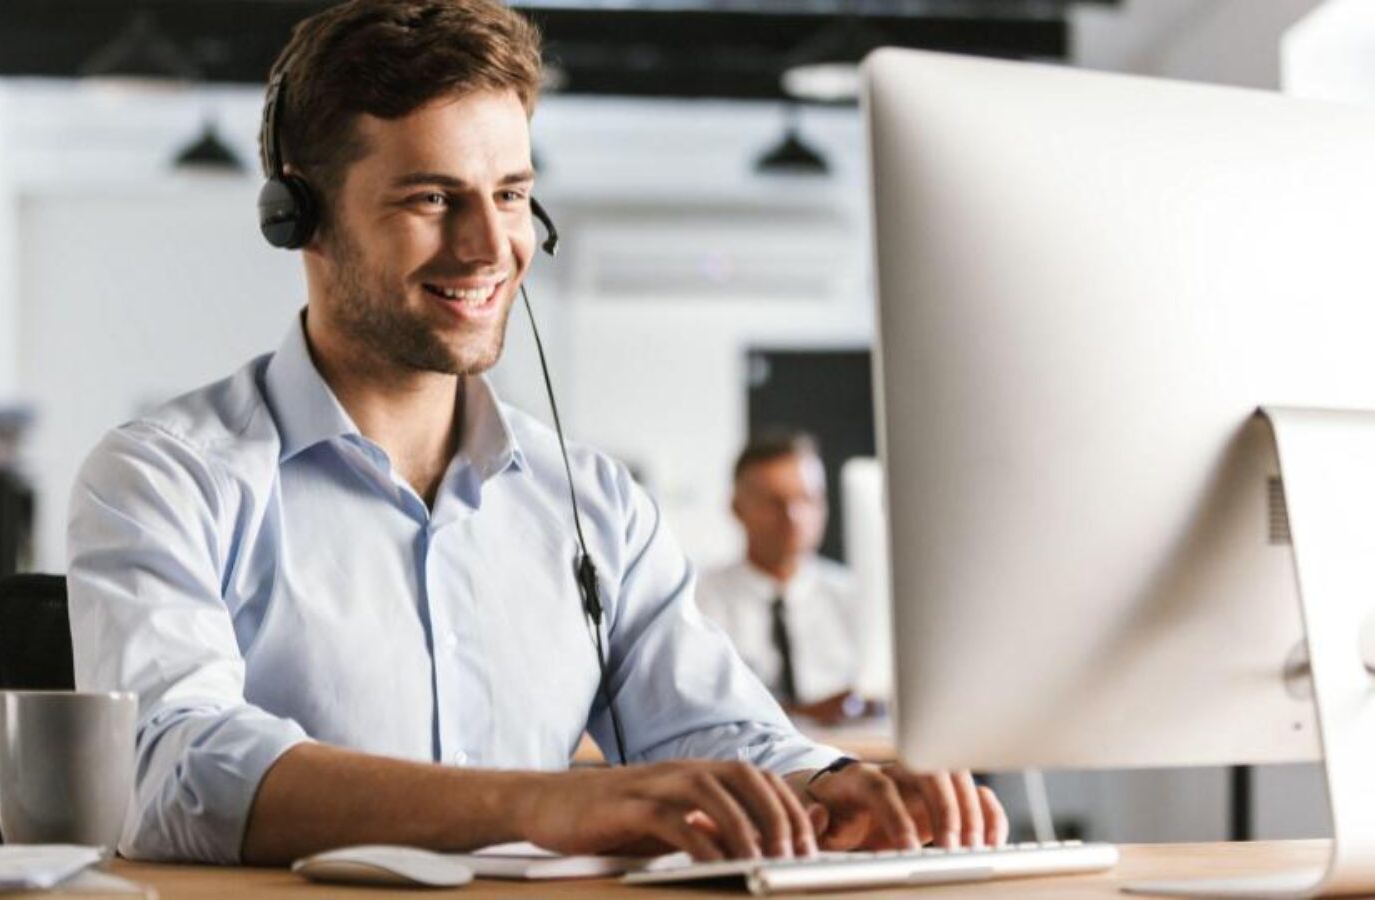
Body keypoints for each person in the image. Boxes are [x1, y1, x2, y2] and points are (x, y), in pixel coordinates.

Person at [66, 0, 1005, 867]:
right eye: (432, 199)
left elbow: (704, 727)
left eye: (511, 194)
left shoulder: (592, 502)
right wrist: (542, 806)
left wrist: (831, 787)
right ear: (298, 216)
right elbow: (171, 768)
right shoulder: (166, 475)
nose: (488, 248)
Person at [697, 432, 880, 726]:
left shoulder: (857, 598)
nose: (793, 516)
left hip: (852, 756)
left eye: (807, 499)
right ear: (736, 508)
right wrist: (800, 715)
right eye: (774, 502)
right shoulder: (700, 601)